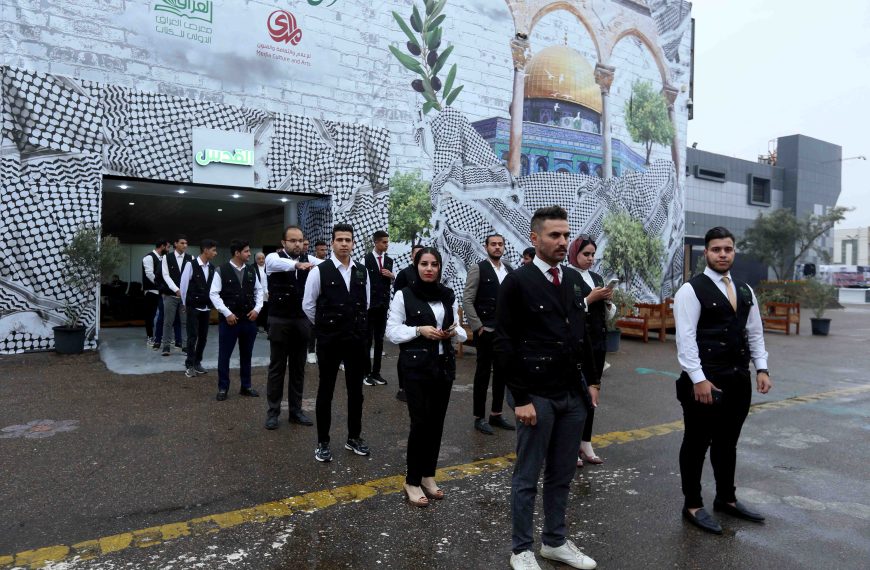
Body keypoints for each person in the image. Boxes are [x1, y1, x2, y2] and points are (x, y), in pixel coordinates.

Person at [495, 206, 598, 570]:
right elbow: (504, 343)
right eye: (555, 235)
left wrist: (592, 382)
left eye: (566, 235)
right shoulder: (517, 282)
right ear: (534, 238)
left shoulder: (571, 278)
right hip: (536, 395)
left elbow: (580, 332)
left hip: (572, 393)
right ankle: (521, 549)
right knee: (527, 476)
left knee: (561, 475)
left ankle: (554, 541)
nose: (562, 242)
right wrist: (519, 399)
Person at [674, 226, 771, 535]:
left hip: (738, 379)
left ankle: (726, 499)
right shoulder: (691, 290)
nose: (723, 254)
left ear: (734, 252)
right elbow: (686, 340)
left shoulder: (745, 290)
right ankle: (692, 504)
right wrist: (698, 379)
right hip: (705, 380)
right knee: (696, 443)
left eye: (728, 249)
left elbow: (754, 332)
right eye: (716, 249)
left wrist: (762, 369)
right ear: (706, 252)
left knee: (728, 443)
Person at [386, 247, 466, 508]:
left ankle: (428, 476)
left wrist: (455, 332)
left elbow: (459, 329)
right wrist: (419, 330)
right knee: (420, 424)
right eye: (424, 264)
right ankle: (411, 480)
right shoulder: (404, 295)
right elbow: (392, 332)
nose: (429, 268)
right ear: (416, 266)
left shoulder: (447, 295)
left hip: (443, 367)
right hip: (416, 368)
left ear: (440, 267)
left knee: (436, 423)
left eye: (434, 264)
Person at [303, 223, 371, 462]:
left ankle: (354, 438)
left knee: (356, 392)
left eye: (348, 240)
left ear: (353, 243)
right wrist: (326, 327)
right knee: (326, 391)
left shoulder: (362, 271)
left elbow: (366, 304)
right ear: (332, 242)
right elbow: (308, 305)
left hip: (355, 341)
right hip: (330, 341)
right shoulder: (319, 271)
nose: (344, 243)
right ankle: (323, 442)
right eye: (340, 239)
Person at [264, 226, 323, 430]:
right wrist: (298, 265)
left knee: (298, 369)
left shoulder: (309, 259)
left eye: (300, 240)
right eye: (292, 240)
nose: (297, 244)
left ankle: (296, 411)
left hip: (301, 321)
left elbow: (325, 265)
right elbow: (279, 263)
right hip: (279, 320)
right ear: (284, 243)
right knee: (277, 369)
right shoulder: (274, 258)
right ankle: (273, 413)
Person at [567, 235, 614, 467]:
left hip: (597, 340)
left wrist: (606, 301)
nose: (590, 259)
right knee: (577, 394)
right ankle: (571, 445)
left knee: (593, 391)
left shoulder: (596, 277)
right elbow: (569, 309)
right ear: (574, 253)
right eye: (586, 254)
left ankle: (586, 442)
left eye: (593, 254)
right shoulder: (567, 276)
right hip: (578, 342)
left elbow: (607, 314)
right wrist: (590, 298)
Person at [463, 234, 514, 435]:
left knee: (501, 374)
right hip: (486, 331)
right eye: (493, 244)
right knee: (483, 374)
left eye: (500, 244)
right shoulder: (478, 268)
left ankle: (496, 414)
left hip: (505, 332)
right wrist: (478, 327)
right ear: (486, 247)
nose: (497, 247)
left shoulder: (509, 270)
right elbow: (467, 299)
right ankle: (479, 417)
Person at [209, 240, 264, 401]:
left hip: (249, 320)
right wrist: (227, 313)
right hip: (229, 322)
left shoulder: (251, 270)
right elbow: (214, 294)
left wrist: (257, 309)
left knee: (246, 355)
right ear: (237, 253)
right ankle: (223, 387)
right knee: (224, 355)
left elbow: (259, 291)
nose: (249, 254)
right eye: (246, 251)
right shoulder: (222, 270)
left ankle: (246, 386)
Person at [180, 239, 218, 378]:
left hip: (206, 307)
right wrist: (184, 304)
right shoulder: (191, 264)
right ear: (205, 250)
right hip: (193, 306)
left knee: (203, 337)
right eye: (213, 250)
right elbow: (183, 285)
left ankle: (198, 362)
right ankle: (189, 364)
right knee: (192, 336)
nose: (215, 253)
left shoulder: (212, 268)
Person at [392, 243, 424, 402]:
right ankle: (402, 388)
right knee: (405, 354)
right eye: (416, 253)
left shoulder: (427, 272)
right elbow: (397, 296)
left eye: (422, 253)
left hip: (424, 321)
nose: (419, 256)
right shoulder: (404, 274)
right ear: (411, 255)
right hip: (407, 321)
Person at [363, 230, 394, 386]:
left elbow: (391, 282)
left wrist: (392, 276)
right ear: (376, 242)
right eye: (384, 242)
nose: (386, 244)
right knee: (367, 340)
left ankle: (376, 372)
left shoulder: (389, 260)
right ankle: (366, 373)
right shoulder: (366, 259)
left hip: (383, 306)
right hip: (370, 306)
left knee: (380, 340)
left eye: (387, 242)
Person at [160, 235, 193, 356]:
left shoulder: (190, 258)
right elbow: (165, 275)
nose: (185, 245)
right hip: (170, 296)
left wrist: (184, 291)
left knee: (185, 322)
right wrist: (176, 289)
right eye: (182, 243)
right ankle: (166, 346)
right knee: (168, 321)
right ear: (175, 244)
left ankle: (185, 346)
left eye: (186, 243)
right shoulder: (166, 258)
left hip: (185, 298)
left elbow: (191, 277)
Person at [142, 239, 169, 347]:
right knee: (150, 315)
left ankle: (159, 336)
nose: (168, 250)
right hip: (151, 291)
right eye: (167, 247)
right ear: (162, 246)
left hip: (161, 292)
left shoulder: (163, 258)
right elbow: (149, 274)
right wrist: (160, 285)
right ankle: (150, 337)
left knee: (162, 315)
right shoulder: (149, 257)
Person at [307, 240, 330, 364]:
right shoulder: (311, 263)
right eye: (321, 250)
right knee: (312, 325)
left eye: (325, 250)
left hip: (326, 296)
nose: (324, 252)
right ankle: (311, 351)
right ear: (316, 250)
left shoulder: (329, 263)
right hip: (314, 295)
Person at [255, 252, 270, 333]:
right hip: (257, 293)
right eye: (259, 258)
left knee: (266, 310)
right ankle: (256, 326)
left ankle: (266, 327)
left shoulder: (268, 267)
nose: (261, 260)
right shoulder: (252, 268)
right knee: (258, 309)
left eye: (263, 258)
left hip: (267, 293)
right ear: (256, 260)